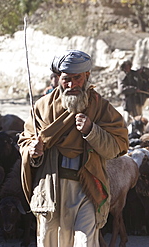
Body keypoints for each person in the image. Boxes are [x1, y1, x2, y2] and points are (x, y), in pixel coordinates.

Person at [18, 50, 129, 247]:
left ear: (86, 76)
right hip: (50, 188)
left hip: (87, 187)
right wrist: (33, 151)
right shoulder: (42, 108)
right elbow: (25, 141)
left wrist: (91, 131)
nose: (71, 85)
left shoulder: (101, 108)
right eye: (66, 79)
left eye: (76, 78)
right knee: (49, 241)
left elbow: (116, 148)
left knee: (85, 242)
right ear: (58, 79)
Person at [117, 60, 147, 124]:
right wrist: (134, 89)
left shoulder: (135, 74)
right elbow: (122, 89)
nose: (128, 68)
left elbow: (142, 83)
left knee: (139, 120)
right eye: (126, 67)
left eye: (129, 66)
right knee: (127, 121)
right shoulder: (122, 76)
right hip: (128, 102)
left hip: (137, 101)